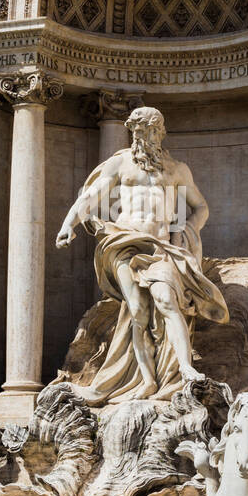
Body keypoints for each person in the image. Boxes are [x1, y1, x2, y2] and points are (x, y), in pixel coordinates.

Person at [56, 106, 228, 402]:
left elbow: (201, 207)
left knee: (166, 300)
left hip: (160, 247)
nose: (141, 136)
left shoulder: (177, 169)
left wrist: (185, 232)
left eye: (147, 130)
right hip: (124, 241)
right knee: (137, 309)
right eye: (136, 131)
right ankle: (147, 380)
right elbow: (91, 196)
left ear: (159, 132)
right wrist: (67, 224)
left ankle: (185, 368)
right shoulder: (121, 164)